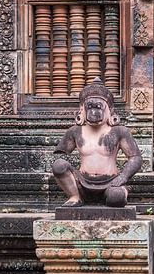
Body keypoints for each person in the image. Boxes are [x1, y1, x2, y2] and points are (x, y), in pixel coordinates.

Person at [52, 77, 142, 208]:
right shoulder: (75, 131)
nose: (94, 112)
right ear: (82, 109)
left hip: (111, 182)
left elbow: (135, 157)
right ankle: (75, 196)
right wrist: (70, 175)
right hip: (81, 182)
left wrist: (123, 177)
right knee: (59, 165)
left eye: (99, 107)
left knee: (116, 197)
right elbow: (59, 156)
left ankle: (115, 194)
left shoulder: (119, 131)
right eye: (90, 107)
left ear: (109, 110)